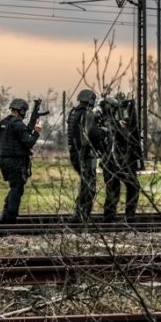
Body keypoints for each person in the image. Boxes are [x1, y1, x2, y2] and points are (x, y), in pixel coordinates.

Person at [0, 98, 41, 224]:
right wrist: (36, 132)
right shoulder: (18, 125)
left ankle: (5, 215)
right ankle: (10, 217)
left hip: (4, 161)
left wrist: (0, 161)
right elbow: (29, 142)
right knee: (17, 188)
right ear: (22, 110)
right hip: (15, 162)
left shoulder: (2, 124)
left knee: (14, 187)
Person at [99, 97, 142, 222]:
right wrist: (122, 126)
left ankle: (109, 217)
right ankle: (129, 217)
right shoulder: (112, 124)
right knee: (133, 186)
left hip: (109, 163)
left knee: (113, 190)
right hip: (118, 163)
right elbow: (126, 138)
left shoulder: (104, 122)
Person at [69, 89, 105, 223]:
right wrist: (104, 131)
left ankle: (79, 214)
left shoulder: (74, 113)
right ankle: (82, 215)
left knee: (85, 184)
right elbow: (94, 134)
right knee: (89, 186)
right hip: (84, 154)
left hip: (74, 153)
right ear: (90, 100)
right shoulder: (87, 114)